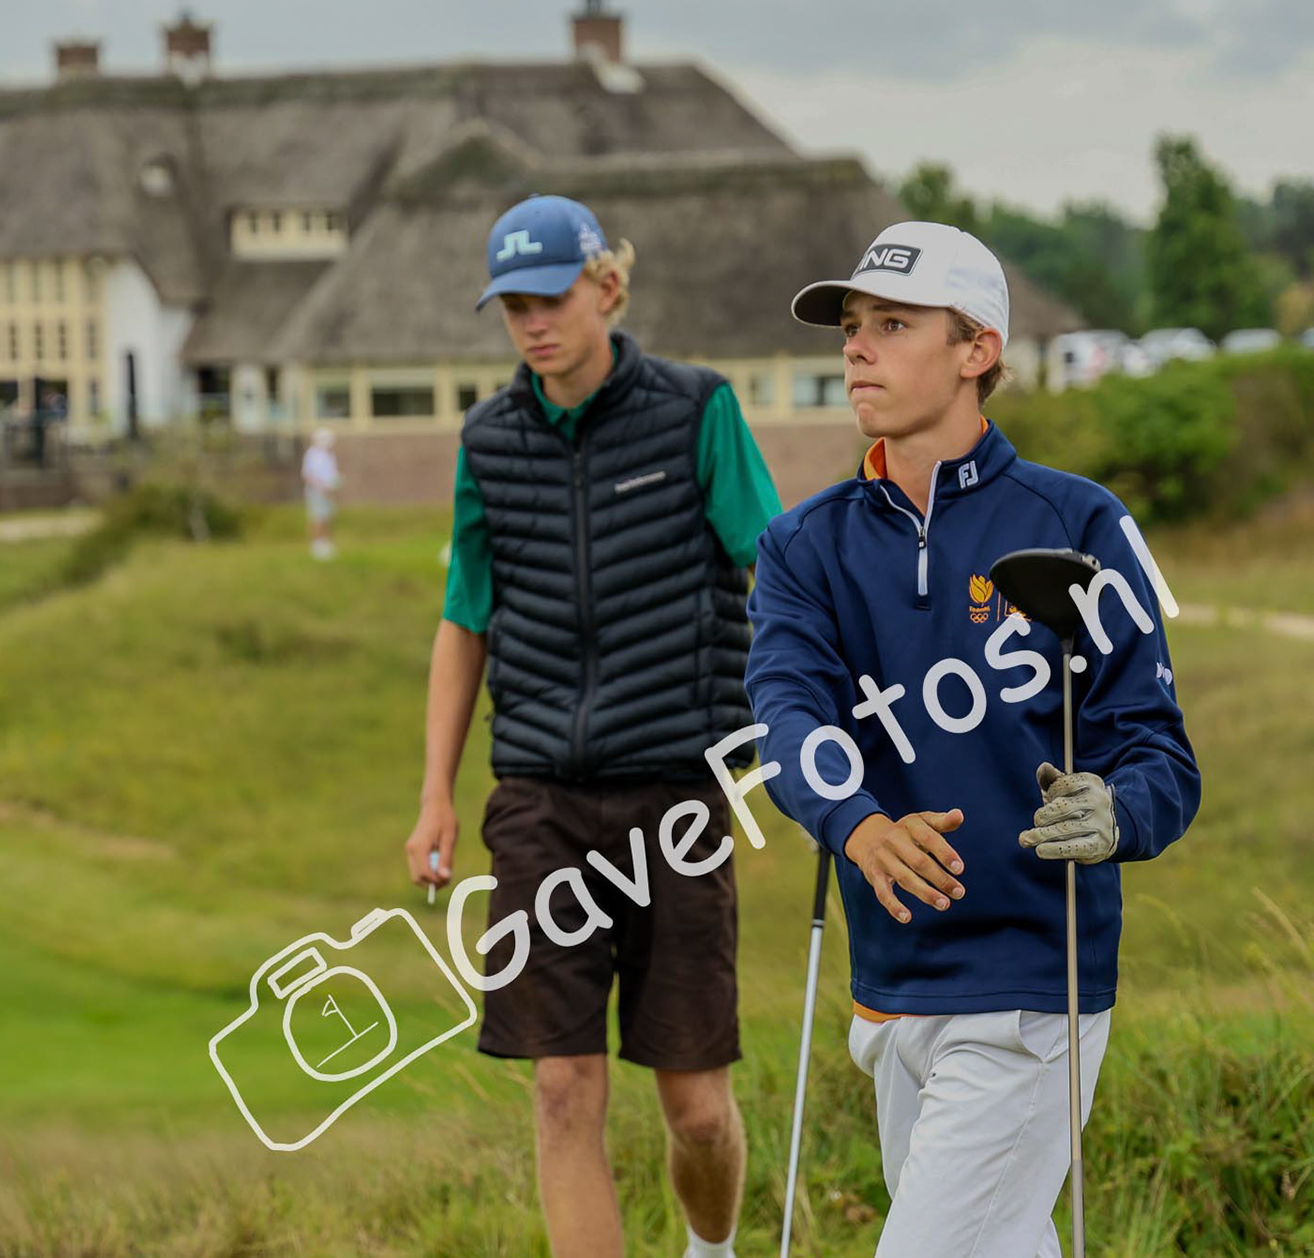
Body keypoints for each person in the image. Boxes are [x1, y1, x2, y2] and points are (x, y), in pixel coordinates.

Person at [746, 222, 1201, 1255]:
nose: (856, 347)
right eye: (851, 326)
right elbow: (787, 716)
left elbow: (1160, 755)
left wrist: (1118, 810)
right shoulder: (803, 545)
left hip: (1033, 986)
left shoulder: (1080, 525)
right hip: (891, 986)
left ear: (977, 349)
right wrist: (857, 823)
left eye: (892, 325)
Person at [406, 194, 782, 1258]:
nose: (532, 322)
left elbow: (780, 570)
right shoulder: (487, 440)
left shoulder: (698, 409)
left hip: (679, 795)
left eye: (551, 298)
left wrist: (810, 722)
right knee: (563, 1088)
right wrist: (436, 796)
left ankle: (711, 1249)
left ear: (607, 288)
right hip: (540, 801)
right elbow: (464, 620)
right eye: (512, 306)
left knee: (695, 1109)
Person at [302, 428, 341, 560]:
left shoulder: (329, 455)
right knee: (318, 517)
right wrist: (321, 487)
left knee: (327, 517)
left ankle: (325, 543)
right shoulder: (312, 455)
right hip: (317, 491)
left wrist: (333, 484)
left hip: (328, 491)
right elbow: (307, 475)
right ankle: (317, 545)